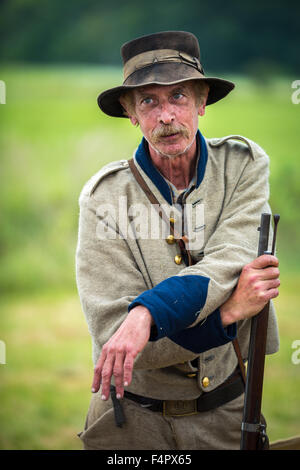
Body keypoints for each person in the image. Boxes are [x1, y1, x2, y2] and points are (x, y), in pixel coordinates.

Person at [76, 31, 280, 450]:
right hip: (131, 424)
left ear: (202, 102)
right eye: (148, 101)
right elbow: (122, 342)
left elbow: (233, 255)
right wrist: (228, 313)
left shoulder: (244, 164)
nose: (166, 115)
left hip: (226, 415)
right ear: (130, 112)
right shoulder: (103, 198)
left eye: (179, 96)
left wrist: (146, 313)